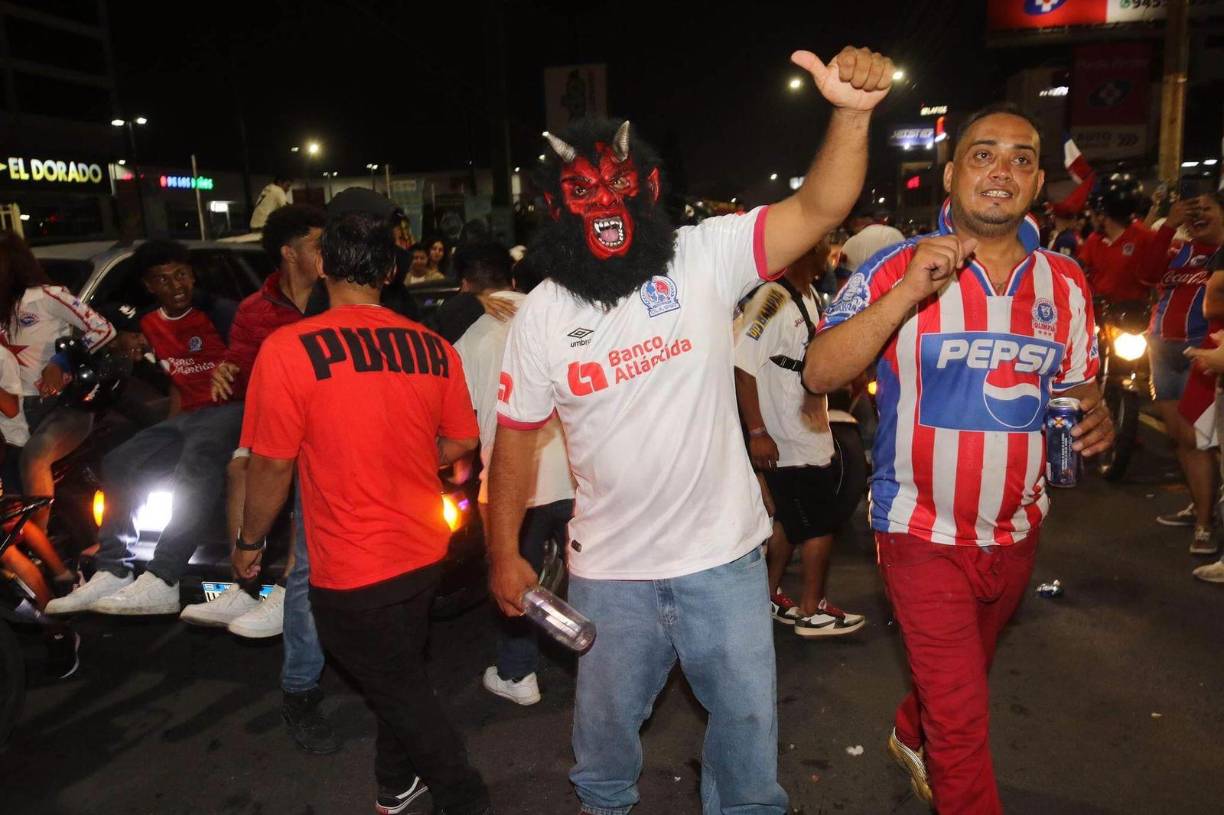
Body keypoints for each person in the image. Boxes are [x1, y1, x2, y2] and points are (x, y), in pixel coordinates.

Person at [489, 45, 894, 815]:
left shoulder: (701, 256)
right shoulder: (541, 314)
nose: (602, 201)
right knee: (604, 750)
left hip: (724, 565)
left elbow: (819, 206)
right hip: (609, 577)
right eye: (581, 190)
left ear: (645, 187)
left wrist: (850, 112)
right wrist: (504, 552)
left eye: (616, 183)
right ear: (551, 207)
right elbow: (514, 438)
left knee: (745, 751)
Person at [803, 104, 1113, 813]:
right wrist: (909, 290)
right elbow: (820, 372)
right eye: (983, 155)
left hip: (1017, 529)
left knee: (961, 677)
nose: (1001, 171)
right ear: (950, 173)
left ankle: (911, 729)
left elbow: (1077, 386)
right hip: (919, 530)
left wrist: (1093, 415)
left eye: (1021, 158)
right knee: (964, 723)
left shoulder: (1065, 283)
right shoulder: (893, 265)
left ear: (1037, 182)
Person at [232, 211, 490, 815]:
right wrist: (403, 454)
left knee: (401, 688)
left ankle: (466, 797)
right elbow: (461, 442)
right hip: (425, 553)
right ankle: (394, 783)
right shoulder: (431, 347)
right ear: (393, 269)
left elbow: (269, 465)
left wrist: (248, 542)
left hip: (351, 566)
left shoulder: (289, 349)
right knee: (397, 676)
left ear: (322, 265)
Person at [179, 203, 340, 755]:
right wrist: (227, 369)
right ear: (289, 251)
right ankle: (244, 577)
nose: (327, 251)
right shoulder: (254, 308)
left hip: (327, 430)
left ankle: (276, 590)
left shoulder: (339, 293)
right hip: (274, 423)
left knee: (307, 543)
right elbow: (240, 365)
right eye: (318, 242)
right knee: (239, 465)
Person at [46, 241, 242, 616]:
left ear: (193, 274)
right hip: (191, 416)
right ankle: (113, 567)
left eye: (181, 275)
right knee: (121, 460)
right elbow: (174, 381)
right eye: (163, 280)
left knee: (195, 461)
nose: (176, 286)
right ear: (150, 287)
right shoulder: (150, 322)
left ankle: (165, 575)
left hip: (235, 409)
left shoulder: (219, 312)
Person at [450, 240, 574, 705]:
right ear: (513, 276)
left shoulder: (471, 339)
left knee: (516, 580)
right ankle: (601, 666)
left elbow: (462, 424)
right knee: (588, 578)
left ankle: (518, 674)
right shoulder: (559, 319)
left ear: (464, 283)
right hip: (577, 476)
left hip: (511, 488)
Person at [734, 245, 864, 638]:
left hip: (807, 427)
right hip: (787, 436)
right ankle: (812, 609)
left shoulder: (805, 293)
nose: (830, 259)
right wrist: (758, 433)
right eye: (824, 252)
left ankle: (768, 596)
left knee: (789, 523)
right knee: (819, 524)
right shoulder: (771, 299)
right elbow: (742, 366)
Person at [0, 231, 115, 534]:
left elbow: (102, 329)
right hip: (15, 414)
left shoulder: (46, 296)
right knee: (11, 491)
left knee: (34, 457)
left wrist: (61, 361)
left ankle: (42, 547)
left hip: (63, 407)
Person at [1145, 193, 1224, 548]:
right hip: (1162, 352)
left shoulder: (1221, 256)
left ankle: (1205, 527)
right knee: (1180, 439)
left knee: (1198, 444)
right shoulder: (1180, 249)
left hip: (1201, 355)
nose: (1197, 215)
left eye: (1206, 208)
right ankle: (1198, 505)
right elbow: (1144, 273)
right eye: (1192, 210)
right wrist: (1169, 225)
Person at [1076, 174, 1152, 305]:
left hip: (1133, 317)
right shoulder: (1094, 240)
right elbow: (1077, 268)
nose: (1091, 218)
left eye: (1093, 213)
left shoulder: (1145, 237)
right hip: (1099, 314)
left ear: (1101, 215)